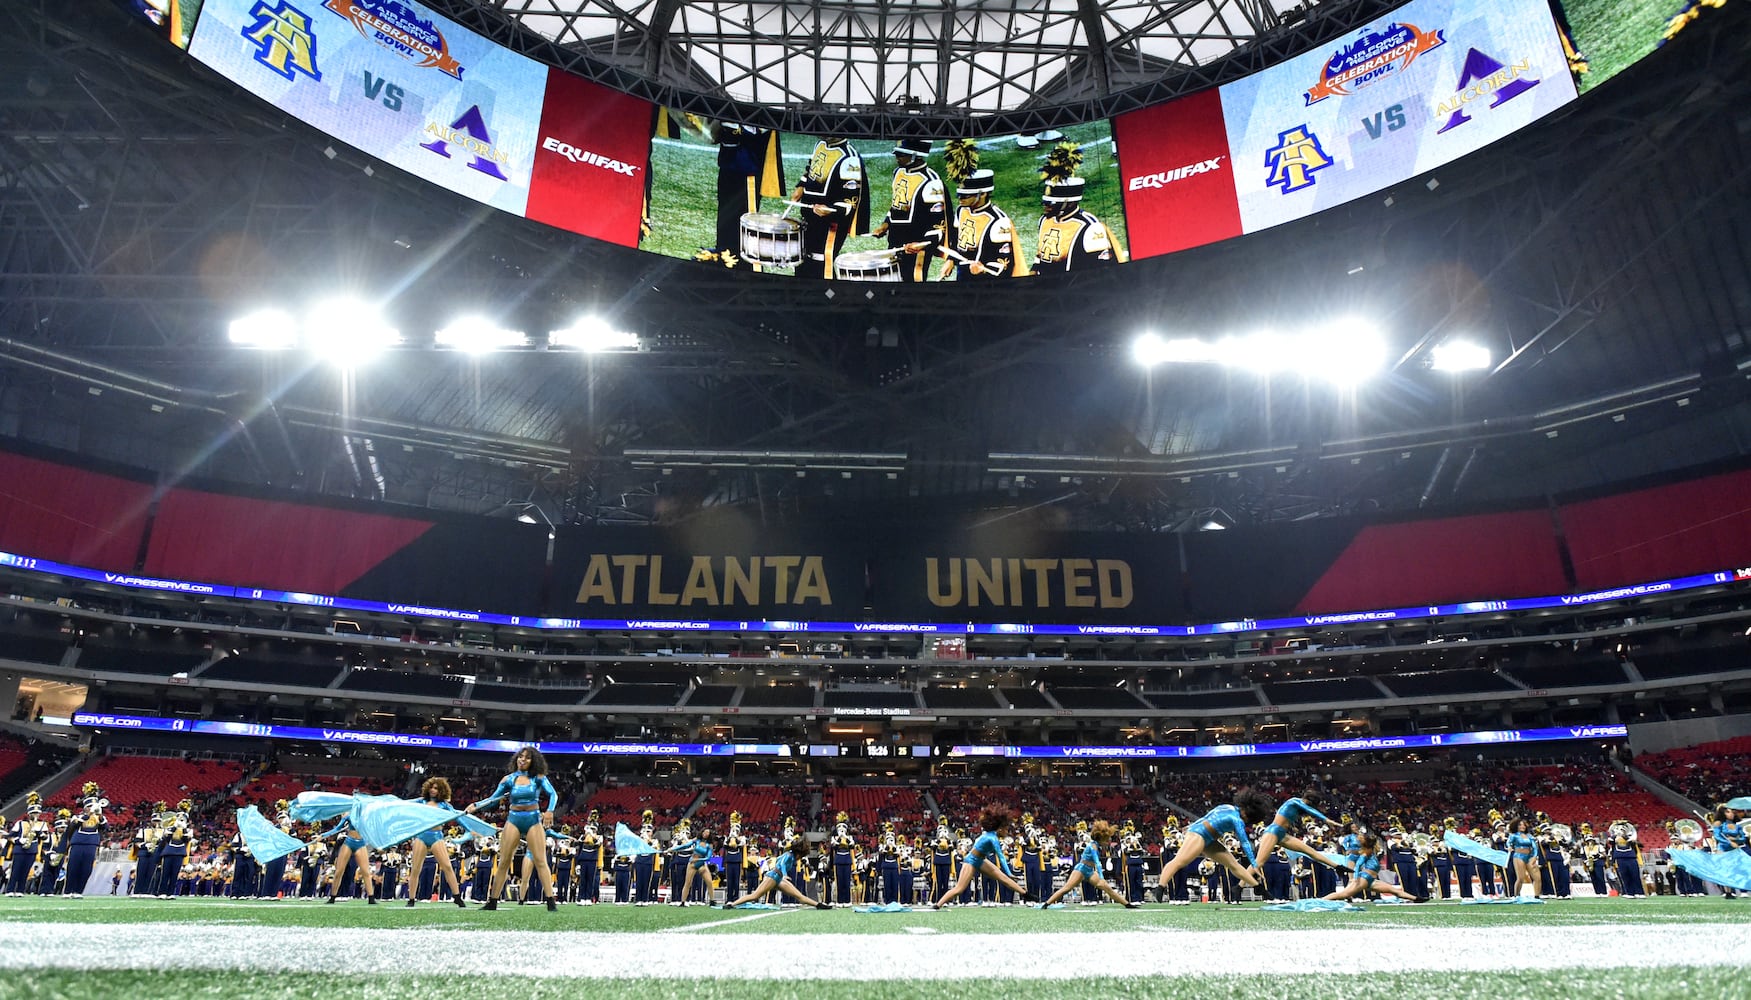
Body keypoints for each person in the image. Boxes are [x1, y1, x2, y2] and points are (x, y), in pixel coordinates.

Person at [466, 746, 560, 911]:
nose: (522, 760)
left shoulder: (538, 777)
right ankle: (493, 901)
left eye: (527, 758)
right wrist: (475, 805)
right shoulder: (508, 779)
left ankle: (551, 901)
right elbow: (493, 799)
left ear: (533, 761)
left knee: (540, 860)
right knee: (504, 862)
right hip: (514, 820)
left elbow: (553, 794)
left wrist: (550, 811)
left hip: (533, 819)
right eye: (520, 756)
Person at [1155, 791, 1272, 896]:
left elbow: (1207, 817)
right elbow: (1245, 843)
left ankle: (1259, 888)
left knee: (1233, 864)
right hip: (1199, 835)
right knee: (1179, 861)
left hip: (1205, 836)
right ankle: (1160, 887)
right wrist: (1254, 864)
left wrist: (1192, 826)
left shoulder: (1227, 807)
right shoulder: (1237, 820)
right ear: (1247, 815)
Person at [791, 135, 869, 278]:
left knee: (821, 261)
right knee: (804, 258)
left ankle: (826, 296)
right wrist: (801, 186)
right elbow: (811, 168)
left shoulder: (850, 158)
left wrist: (829, 210)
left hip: (831, 222)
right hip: (809, 214)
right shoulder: (820, 144)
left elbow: (850, 200)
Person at [871, 137, 946, 282]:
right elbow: (896, 205)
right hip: (895, 241)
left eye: (901, 154)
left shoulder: (932, 182)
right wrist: (885, 225)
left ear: (916, 155)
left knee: (912, 288)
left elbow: (938, 225)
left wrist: (921, 244)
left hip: (916, 248)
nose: (897, 157)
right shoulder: (898, 173)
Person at [708, 122, 785, 262]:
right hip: (728, 162)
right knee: (725, 207)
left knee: (745, 214)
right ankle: (723, 249)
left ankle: (740, 256)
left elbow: (763, 127)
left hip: (749, 165)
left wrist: (740, 128)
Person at [930, 804, 1033, 908]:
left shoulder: (990, 835)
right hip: (971, 861)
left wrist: (1008, 874)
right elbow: (1001, 857)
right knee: (959, 888)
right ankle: (938, 905)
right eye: (1006, 829)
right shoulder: (992, 839)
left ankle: (1026, 895)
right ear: (1000, 829)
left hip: (981, 860)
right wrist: (1009, 872)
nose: (1007, 832)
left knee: (1003, 878)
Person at [1031, 177, 1123, 275]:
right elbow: (1040, 257)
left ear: (1070, 203)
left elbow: (1101, 271)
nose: (1046, 207)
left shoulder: (1090, 227)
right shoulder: (1044, 220)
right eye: (1045, 203)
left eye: (1051, 203)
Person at [941, 169, 1022, 279]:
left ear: (982, 194)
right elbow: (956, 239)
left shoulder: (999, 221)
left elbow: (1005, 261)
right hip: (962, 274)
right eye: (959, 195)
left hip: (986, 282)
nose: (960, 199)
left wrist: (983, 270)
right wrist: (950, 259)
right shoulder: (961, 210)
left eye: (965, 196)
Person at [1039, 820, 1138, 909]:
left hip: (1089, 871)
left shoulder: (1096, 845)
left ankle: (1127, 904)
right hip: (1081, 869)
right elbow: (1097, 862)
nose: (1108, 842)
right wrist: (1101, 876)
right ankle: (1046, 904)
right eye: (1106, 839)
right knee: (1067, 888)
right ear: (1101, 838)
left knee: (1107, 888)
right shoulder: (1093, 846)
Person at [403, 777, 468, 909]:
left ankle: (457, 897)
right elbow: (404, 804)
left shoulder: (444, 805)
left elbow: (458, 817)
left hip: (436, 836)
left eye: (436, 788)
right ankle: (411, 899)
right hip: (421, 836)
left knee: (447, 867)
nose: (433, 790)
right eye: (431, 787)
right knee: (415, 869)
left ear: (441, 791)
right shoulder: (421, 802)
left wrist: (469, 826)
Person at [1250, 791, 1352, 875]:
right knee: (1259, 862)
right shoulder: (1294, 801)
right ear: (1307, 800)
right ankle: (1239, 887)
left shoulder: (1297, 808)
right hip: (1273, 832)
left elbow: (1308, 809)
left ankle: (1338, 867)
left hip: (1282, 834)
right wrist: (1326, 820)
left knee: (1311, 852)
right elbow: (1309, 809)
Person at [717, 834, 830, 909]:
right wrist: (785, 875)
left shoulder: (789, 854)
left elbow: (780, 862)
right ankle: (732, 904)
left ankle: (819, 905)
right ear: (799, 853)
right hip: (773, 876)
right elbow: (780, 864)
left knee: (799, 896)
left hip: (778, 879)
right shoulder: (789, 855)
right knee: (755, 895)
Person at [1322, 830, 1422, 903]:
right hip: (1364, 879)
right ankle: (1320, 900)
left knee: (1394, 890)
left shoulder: (1371, 852)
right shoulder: (1366, 854)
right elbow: (1357, 866)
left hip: (1371, 881)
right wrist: (1355, 879)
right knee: (1343, 894)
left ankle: (1416, 899)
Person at [323, 811, 377, 905]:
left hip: (360, 843)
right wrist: (323, 835)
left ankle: (371, 898)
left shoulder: (367, 816)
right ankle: (332, 897)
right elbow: (338, 828)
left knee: (366, 872)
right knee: (339, 871)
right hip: (349, 841)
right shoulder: (349, 815)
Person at [668, 828, 718, 907]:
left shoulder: (709, 845)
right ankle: (683, 902)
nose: (705, 833)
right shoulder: (696, 840)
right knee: (688, 883)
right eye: (704, 832)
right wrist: (672, 849)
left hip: (701, 864)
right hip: (692, 864)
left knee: (709, 882)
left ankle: (712, 901)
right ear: (702, 832)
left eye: (707, 833)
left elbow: (708, 858)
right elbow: (685, 846)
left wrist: (698, 859)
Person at [1507, 818, 1542, 899]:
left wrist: (1534, 857)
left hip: (1530, 856)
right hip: (1519, 856)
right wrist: (1509, 847)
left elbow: (1534, 847)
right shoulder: (1514, 835)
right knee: (1521, 878)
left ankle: (1537, 896)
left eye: (1524, 824)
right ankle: (1516, 895)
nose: (1522, 826)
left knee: (1537, 877)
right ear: (1516, 826)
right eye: (1520, 825)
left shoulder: (1529, 836)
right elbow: (1508, 843)